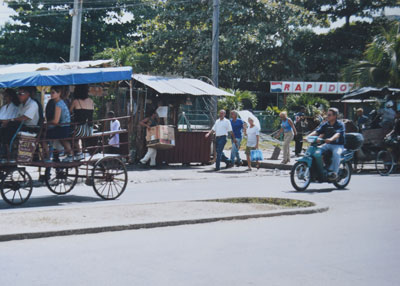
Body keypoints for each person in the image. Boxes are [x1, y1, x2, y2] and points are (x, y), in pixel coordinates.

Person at [0, 86, 40, 162]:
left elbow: (25, 117)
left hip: (30, 127)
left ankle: (7, 153)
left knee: (9, 128)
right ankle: (4, 151)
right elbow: (18, 117)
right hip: (21, 125)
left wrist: (10, 120)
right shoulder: (21, 105)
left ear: (27, 94)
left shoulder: (32, 104)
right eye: (18, 94)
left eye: (21, 94)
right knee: (5, 128)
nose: (18, 96)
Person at [308, 107, 345, 180]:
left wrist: (331, 139)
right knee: (317, 152)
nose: (327, 116)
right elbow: (317, 131)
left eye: (329, 115)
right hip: (328, 144)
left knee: (336, 154)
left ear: (335, 116)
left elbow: (337, 134)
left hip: (338, 145)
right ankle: (321, 169)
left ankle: (334, 173)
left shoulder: (340, 124)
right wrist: (308, 137)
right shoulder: (326, 124)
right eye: (327, 115)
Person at [43, 86, 73, 162]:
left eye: (53, 93)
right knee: (63, 140)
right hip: (64, 127)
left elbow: (55, 121)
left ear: (59, 93)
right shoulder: (60, 102)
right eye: (51, 93)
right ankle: (70, 155)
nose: (51, 95)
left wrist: (46, 123)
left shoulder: (58, 104)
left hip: (62, 128)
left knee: (43, 137)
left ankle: (47, 157)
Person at [70, 84, 94, 161]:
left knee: (67, 136)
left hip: (79, 129)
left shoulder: (75, 101)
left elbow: (69, 112)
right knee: (77, 137)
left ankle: (74, 153)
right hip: (90, 129)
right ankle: (80, 152)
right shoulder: (91, 101)